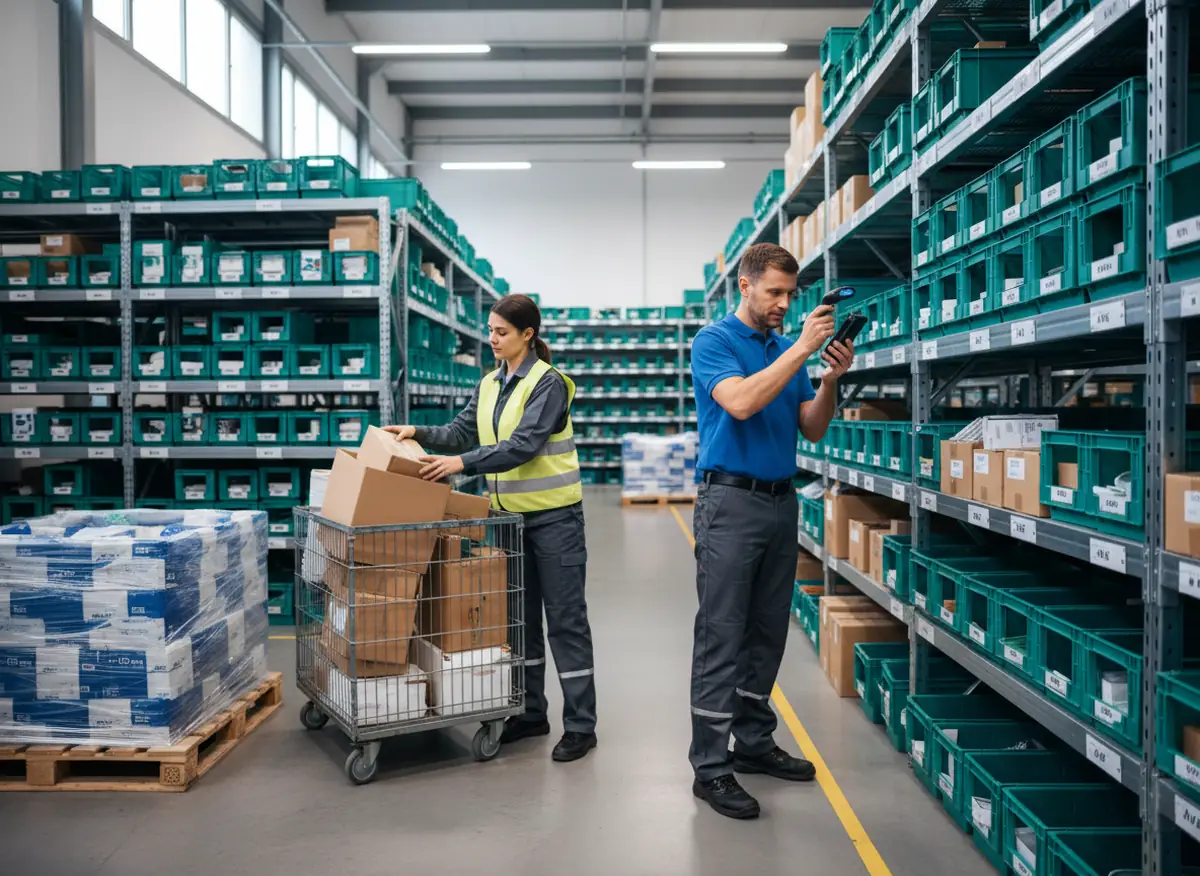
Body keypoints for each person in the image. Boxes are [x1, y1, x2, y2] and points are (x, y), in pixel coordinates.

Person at [384, 293, 599, 763]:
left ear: (528, 335)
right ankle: (531, 711)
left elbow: (522, 445)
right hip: (509, 522)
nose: (492, 339)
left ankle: (581, 725)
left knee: (566, 622)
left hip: (555, 520)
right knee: (520, 622)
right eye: (490, 330)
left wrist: (459, 464)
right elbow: (462, 431)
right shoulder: (488, 384)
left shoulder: (549, 384)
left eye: (501, 332)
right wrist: (416, 433)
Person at [687, 242, 854, 819]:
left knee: (766, 635)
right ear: (746, 286)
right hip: (730, 503)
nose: (784, 303)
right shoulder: (714, 342)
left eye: (791, 294)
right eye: (774, 292)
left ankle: (753, 743)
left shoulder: (790, 349)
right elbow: (738, 402)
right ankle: (710, 767)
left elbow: (811, 427)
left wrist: (829, 378)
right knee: (722, 634)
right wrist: (801, 349)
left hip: (783, 504)